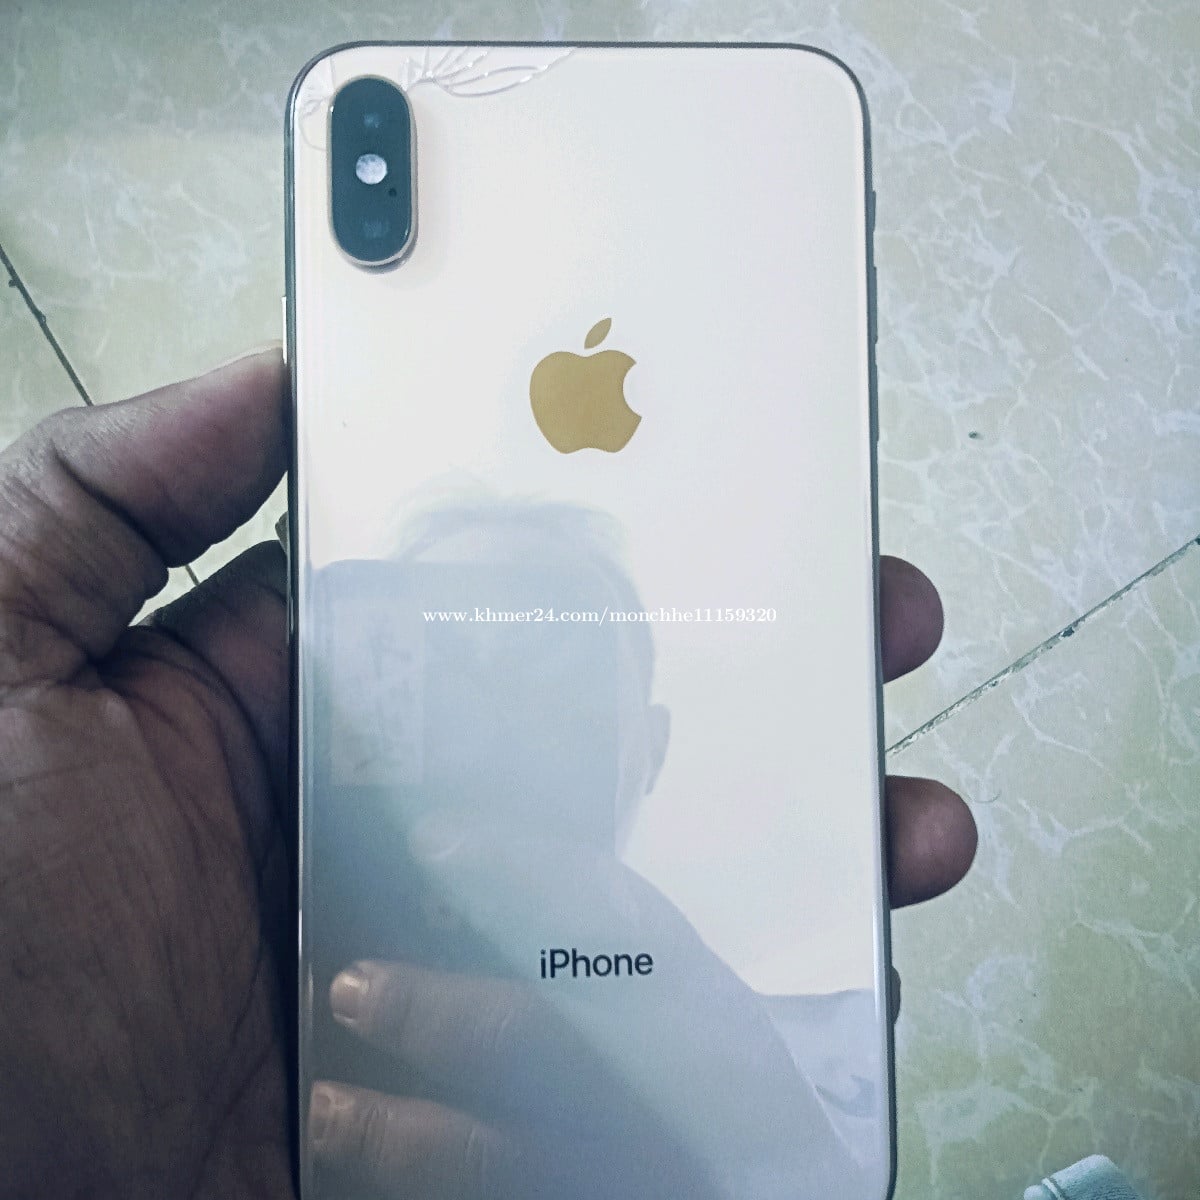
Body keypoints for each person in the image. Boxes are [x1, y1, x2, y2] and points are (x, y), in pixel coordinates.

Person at [0, 346, 978, 1198]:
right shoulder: (211, 951)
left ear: (649, 746)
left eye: (556, 643)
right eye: (449, 645)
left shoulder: (804, 1062)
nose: (502, 695)